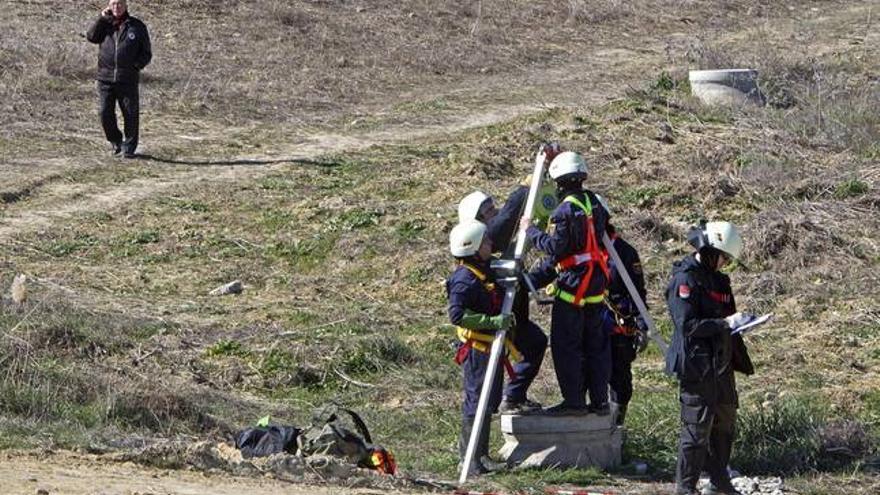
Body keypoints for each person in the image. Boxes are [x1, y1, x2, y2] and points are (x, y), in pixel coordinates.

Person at [456, 152, 557, 415]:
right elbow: (508, 218)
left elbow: (518, 277)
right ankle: (474, 452)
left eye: (493, 207)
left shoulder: (493, 245)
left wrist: (556, 265)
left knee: (534, 342)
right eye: (488, 211)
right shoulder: (485, 241)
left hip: (512, 319)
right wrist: (527, 188)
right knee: (481, 398)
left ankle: (513, 397)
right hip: (489, 330)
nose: (495, 212)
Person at [665, 221, 754, 495]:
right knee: (696, 429)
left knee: (725, 423)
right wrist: (725, 324)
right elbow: (688, 326)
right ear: (709, 250)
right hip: (697, 366)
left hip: (722, 364)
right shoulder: (685, 279)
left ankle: (720, 482)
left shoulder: (720, 281)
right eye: (723, 257)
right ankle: (686, 488)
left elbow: (727, 319)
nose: (725, 263)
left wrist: (740, 323)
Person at [520, 151, 612, 416]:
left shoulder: (564, 211)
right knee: (595, 347)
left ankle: (573, 402)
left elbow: (556, 248)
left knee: (566, 346)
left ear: (558, 181)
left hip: (573, 289)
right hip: (595, 285)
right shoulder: (594, 202)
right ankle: (600, 402)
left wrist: (531, 230)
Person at [446, 220, 513, 475]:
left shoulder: (482, 269)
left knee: (490, 401)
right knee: (477, 402)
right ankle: (470, 460)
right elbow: (457, 315)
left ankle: (481, 455)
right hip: (477, 350)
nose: (490, 244)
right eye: (485, 241)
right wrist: (492, 321)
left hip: (492, 349)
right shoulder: (464, 279)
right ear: (472, 246)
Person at [86, 0, 151, 158]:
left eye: (120, 3)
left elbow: (146, 53)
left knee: (130, 113)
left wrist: (136, 66)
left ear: (126, 5)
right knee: (104, 112)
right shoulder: (105, 24)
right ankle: (116, 141)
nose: (117, 7)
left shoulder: (136, 26)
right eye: (113, 4)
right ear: (109, 5)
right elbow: (92, 37)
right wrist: (101, 19)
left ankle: (129, 147)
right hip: (105, 78)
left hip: (127, 79)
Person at [602, 218, 649, 427]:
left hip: (618, 326)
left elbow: (637, 292)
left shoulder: (624, 252)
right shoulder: (580, 248)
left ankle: (616, 431)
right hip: (589, 326)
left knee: (621, 383)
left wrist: (642, 325)